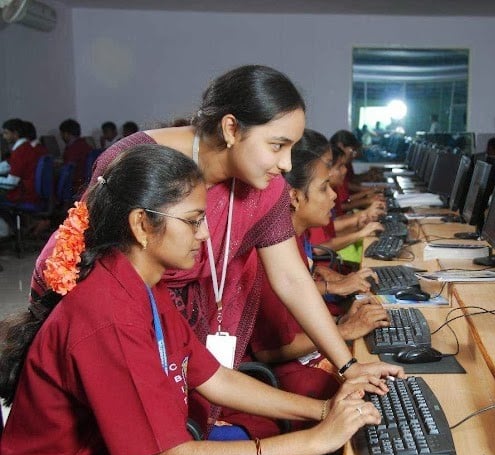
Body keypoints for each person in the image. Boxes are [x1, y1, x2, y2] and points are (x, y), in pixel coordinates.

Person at [30, 65, 402, 435]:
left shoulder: (266, 189)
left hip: (191, 338)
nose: (287, 164)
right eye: (277, 145)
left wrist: (349, 366)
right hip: (126, 337)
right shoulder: (140, 165)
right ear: (230, 129)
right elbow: (98, 281)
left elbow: (290, 277)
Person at [0, 144, 381, 455]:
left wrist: (321, 411)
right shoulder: (108, 315)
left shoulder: (147, 287)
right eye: (193, 220)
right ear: (142, 225)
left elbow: (215, 378)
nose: (205, 234)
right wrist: (319, 439)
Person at [246, 130, 389, 436]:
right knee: (379, 398)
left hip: (304, 359)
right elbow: (270, 353)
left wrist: (341, 325)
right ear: (294, 197)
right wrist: (344, 329)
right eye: (324, 187)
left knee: (379, 375)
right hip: (287, 373)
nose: (335, 195)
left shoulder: (289, 241)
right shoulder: (271, 257)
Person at [0, 118, 45, 204]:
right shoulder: (27, 147)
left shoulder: (20, 151)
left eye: (6, 133)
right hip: (31, 191)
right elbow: (11, 165)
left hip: (23, 194)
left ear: (15, 133)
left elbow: (11, 183)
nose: (4, 136)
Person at [59, 118, 93, 191]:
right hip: (85, 183)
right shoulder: (85, 144)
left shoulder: (72, 149)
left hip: (75, 185)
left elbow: (68, 170)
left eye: (62, 134)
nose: (61, 137)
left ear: (66, 134)